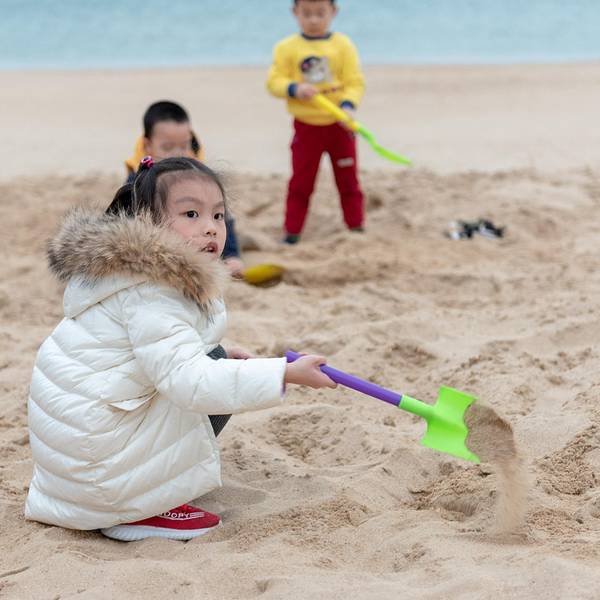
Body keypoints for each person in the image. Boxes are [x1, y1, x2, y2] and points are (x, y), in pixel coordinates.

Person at [25, 156, 336, 541]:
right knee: (211, 378)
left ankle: (135, 490)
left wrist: (222, 355)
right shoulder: (153, 292)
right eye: (191, 214)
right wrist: (282, 373)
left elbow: (148, 352)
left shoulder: (124, 271)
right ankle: (140, 508)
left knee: (216, 360)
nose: (210, 228)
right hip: (101, 477)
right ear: (147, 222)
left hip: (78, 468)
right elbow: (190, 382)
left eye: (218, 216)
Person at [267, 0, 365, 244]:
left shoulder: (343, 45)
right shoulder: (287, 47)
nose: (313, 20)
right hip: (306, 127)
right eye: (307, 13)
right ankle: (292, 232)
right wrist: (294, 88)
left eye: (320, 13)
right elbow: (274, 81)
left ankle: (356, 227)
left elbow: (354, 82)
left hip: (339, 126)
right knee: (301, 182)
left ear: (333, 12)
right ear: (295, 12)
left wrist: (348, 105)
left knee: (348, 180)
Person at [125, 100, 244, 276]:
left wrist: (232, 254)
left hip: (197, 242)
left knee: (213, 207)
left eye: (184, 145)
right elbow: (126, 221)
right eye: (167, 147)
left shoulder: (196, 173)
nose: (178, 153)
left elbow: (223, 215)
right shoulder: (137, 180)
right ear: (147, 146)